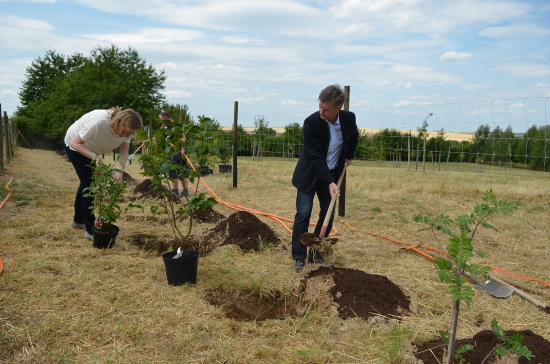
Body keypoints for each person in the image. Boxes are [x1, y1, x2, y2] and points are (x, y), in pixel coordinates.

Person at [291, 85, 359, 271]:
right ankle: (299, 256)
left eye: (326, 108)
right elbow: (316, 157)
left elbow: (354, 136)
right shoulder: (311, 123)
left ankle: (316, 253)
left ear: (338, 108)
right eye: (320, 106)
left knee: (327, 216)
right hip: (310, 174)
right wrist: (329, 181)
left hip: (332, 173)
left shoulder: (348, 118)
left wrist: (349, 156)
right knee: (303, 214)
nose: (321, 111)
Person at [64, 107, 143, 240]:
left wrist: (120, 171)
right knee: (90, 185)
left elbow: (124, 153)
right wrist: (96, 157)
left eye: (128, 134)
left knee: (86, 183)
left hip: (92, 149)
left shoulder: (128, 128)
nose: (125, 135)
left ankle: (78, 220)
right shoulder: (99, 121)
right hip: (76, 147)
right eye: (123, 131)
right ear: (118, 122)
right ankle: (90, 230)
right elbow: (75, 143)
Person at [158, 111, 189, 199]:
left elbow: (183, 137)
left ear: (166, 118)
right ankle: (185, 191)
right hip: (173, 152)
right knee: (181, 172)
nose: (161, 122)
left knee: (175, 171)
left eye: (161, 120)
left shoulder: (175, 126)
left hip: (176, 153)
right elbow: (163, 139)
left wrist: (182, 149)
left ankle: (175, 191)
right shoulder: (167, 127)